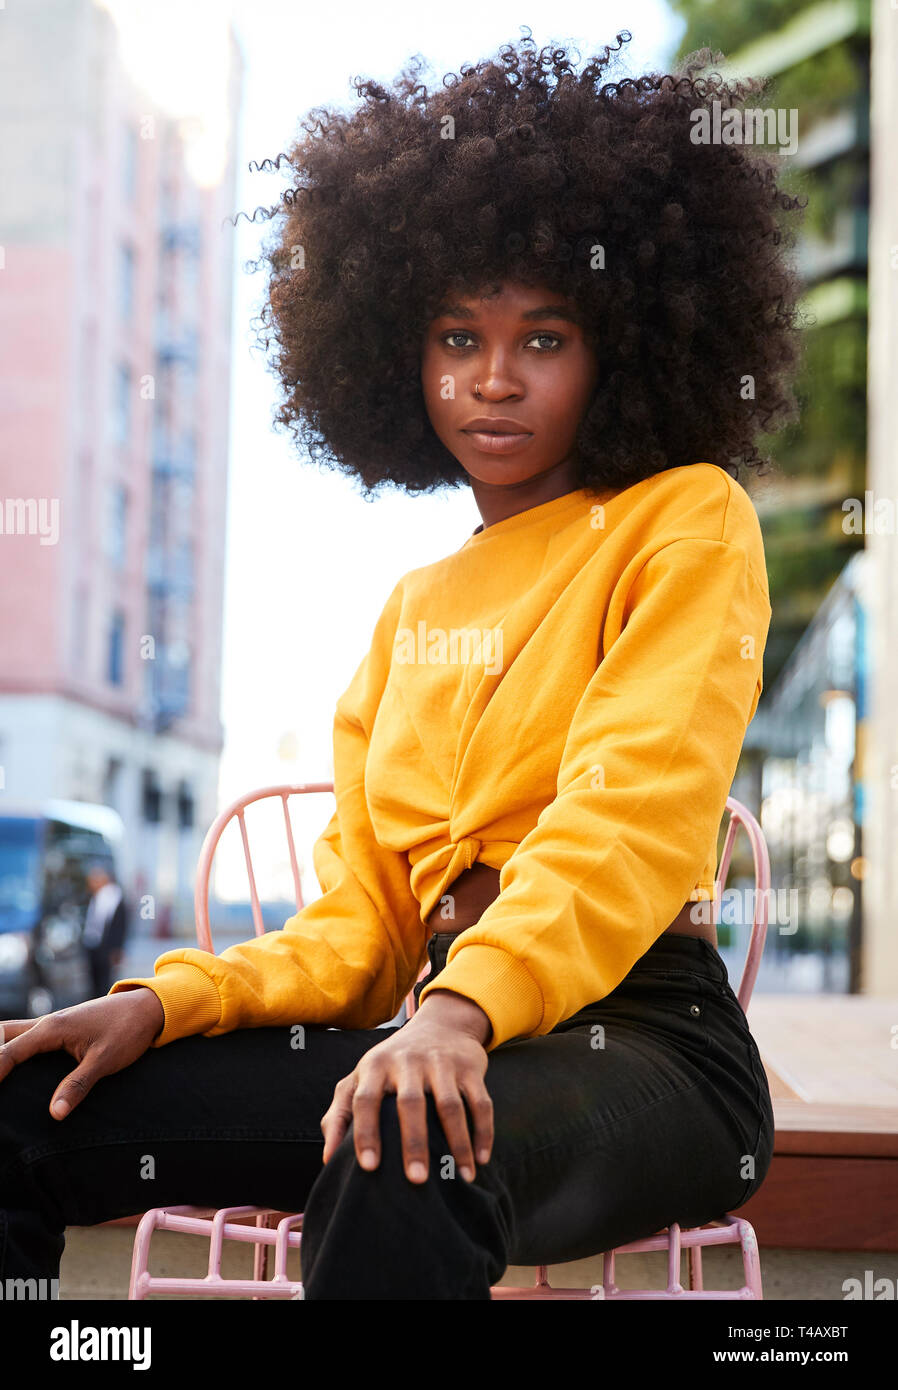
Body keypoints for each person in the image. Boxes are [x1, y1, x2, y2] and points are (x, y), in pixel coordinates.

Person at [0, 33, 804, 1299]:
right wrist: (162, 1000)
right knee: (28, 1106)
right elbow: (358, 936)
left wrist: (457, 1012)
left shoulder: (685, 520)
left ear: (619, 347)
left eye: (543, 336)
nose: (491, 377)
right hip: (437, 1031)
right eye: (453, 336)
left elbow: (628, 819)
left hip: (643, 1039)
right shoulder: (411, 612)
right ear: (398, 356)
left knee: (407, 1149)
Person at [81, 864, 128, 999]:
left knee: (104, 981)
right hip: (93, 944)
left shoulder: (114, 897)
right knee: (94, 980)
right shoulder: (96, 896)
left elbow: (120, 925)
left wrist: (117, 948)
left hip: (106, 947)